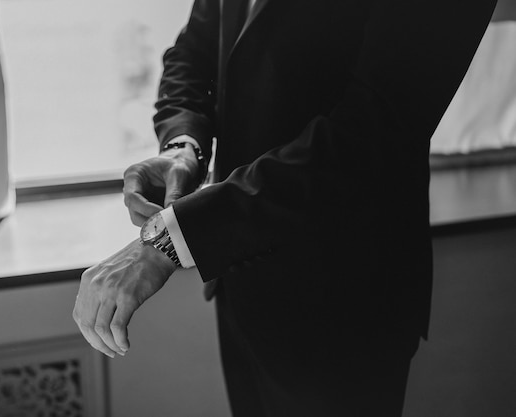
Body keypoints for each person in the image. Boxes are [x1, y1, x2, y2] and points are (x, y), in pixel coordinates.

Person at [73, 0, 497, 415]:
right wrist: (185, 146)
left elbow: (374, 132)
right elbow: (195, 48)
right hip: (240, 288)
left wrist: (167, 240)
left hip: (345, 310)